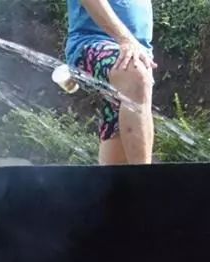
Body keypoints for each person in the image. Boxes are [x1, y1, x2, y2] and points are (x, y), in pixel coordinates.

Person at [66, 0, 155, 165]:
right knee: (134, 73)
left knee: (115, 176)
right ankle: (147, 184)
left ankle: (115, 189)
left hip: (136, 52)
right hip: (94, 44)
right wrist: (125, 39)